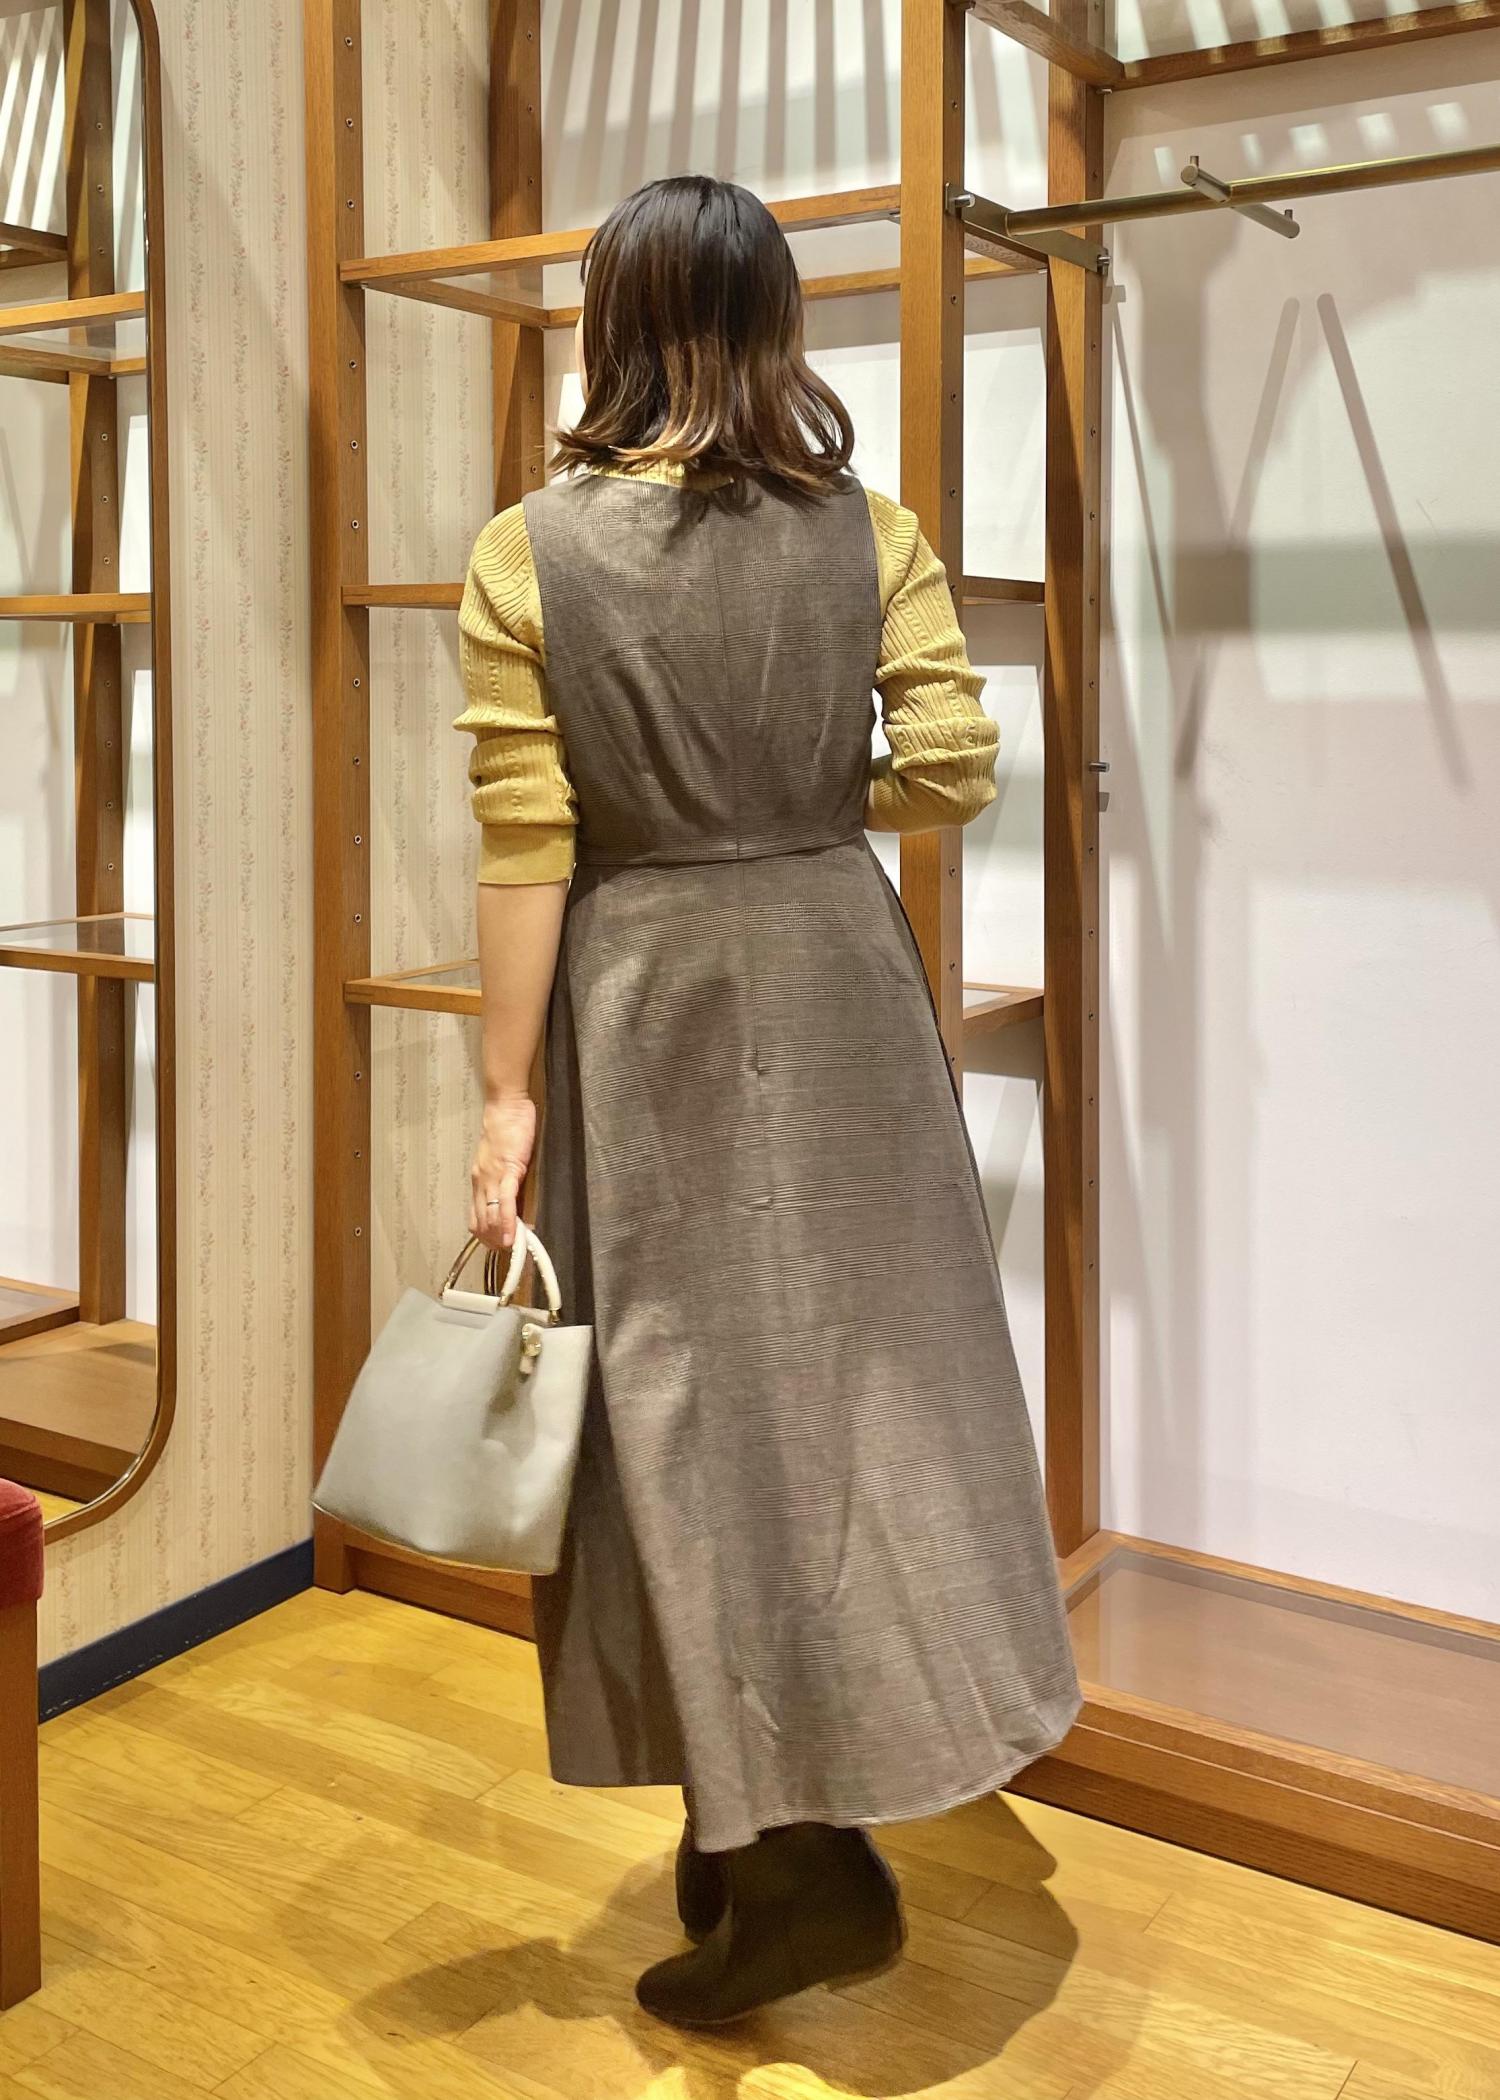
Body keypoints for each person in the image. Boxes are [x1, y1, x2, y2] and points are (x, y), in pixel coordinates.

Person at [454, 172, 1081, 2029]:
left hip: (643, 993)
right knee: (866, 1394)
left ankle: (795, 1855)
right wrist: (803, 809)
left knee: (677, 1416)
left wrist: (503, 1096)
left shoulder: (524, 555)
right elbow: (951, 772)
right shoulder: (870, 531)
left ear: (612, 321)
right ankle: (770, 1825)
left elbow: (525, 841)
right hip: (836, 985)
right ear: (777, 322)